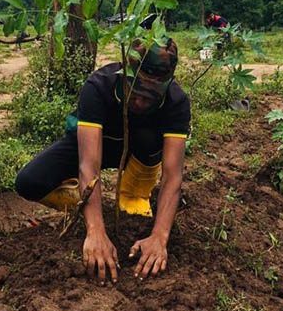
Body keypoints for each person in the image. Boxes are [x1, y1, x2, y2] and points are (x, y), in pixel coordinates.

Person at [15, 37, 190, 285]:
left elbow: (173, 175)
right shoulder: (99, 85)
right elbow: (89, 164)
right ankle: (83, 204)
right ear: (124, 74)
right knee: (29, 182)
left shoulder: (176, 101)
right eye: (135, 91)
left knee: (148, 138)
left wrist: (160, 238)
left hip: (140, 152)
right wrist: (95, 231)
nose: (139, 102)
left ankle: (134, 195)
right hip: (95, 143)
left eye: (149, 97)